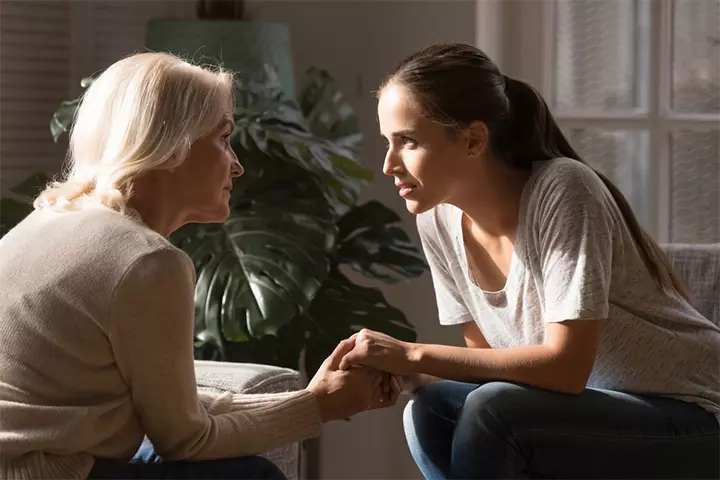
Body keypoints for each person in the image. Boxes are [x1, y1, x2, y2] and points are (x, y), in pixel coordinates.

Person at [0, 52, 400, 480]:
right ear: (172, 142)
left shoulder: (50, 218)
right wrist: (321, 406)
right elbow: (185, 440)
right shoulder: (147, 261)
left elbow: (177, 410)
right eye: (224, 138)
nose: (238, 164)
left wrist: (314, 397)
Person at [338, 43, 720, 479]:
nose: (389, 164)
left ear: (473, 139)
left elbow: (566, 367)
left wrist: (412, 353)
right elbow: (487, 360)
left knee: (491, 409)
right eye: (388, 142)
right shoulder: (438, 218)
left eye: (408, 142)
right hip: (594, 412)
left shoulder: (564, 190)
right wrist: (408, 374)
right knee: (431, 408)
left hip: (695, 416)